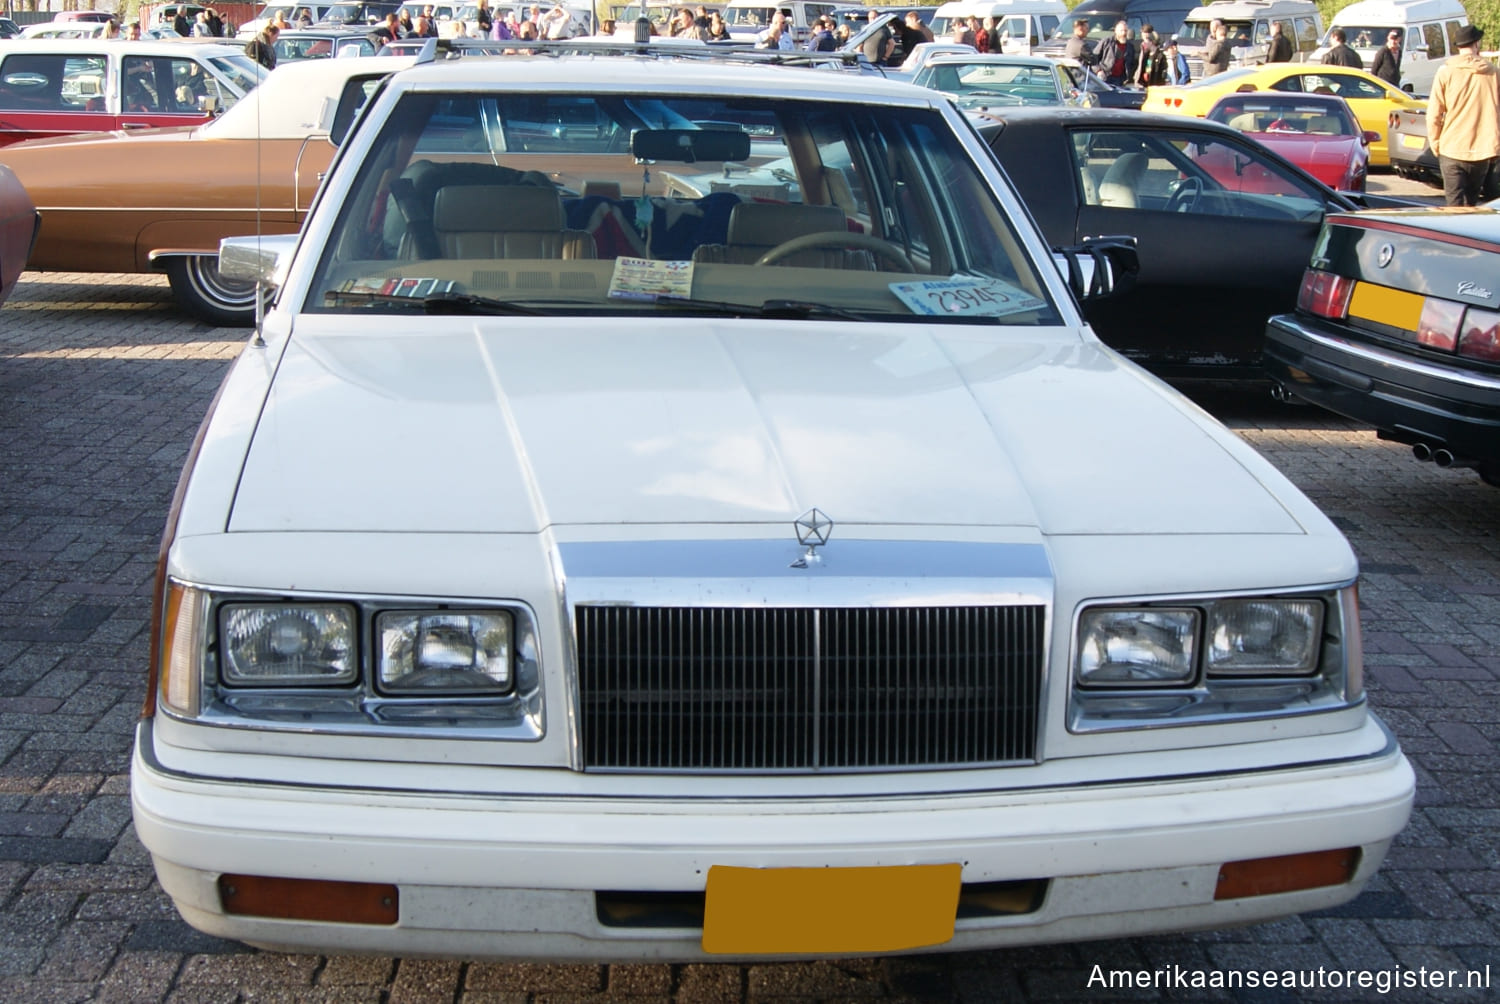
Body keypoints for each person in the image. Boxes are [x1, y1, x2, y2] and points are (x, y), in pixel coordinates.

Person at [1427, 24, 1499, 206]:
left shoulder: (1445, 72)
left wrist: (1436, 144)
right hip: (1482, 149)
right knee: (1471, 204)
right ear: (1477, 44)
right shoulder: (1493, 73)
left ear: (1458, 47)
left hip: (1452, 147)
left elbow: (1434, 113)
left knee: (1453, 206)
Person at [1093, 20, 1136, 86]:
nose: (1123, 33)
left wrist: (1129, 78)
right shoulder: (1107, 42)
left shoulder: (1130, 47)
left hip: (1120, 80)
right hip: (1105, 77)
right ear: (1115, 31)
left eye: (1125, 31)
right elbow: (1093, 58)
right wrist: (1098, 71)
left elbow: (1132, 64)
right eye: (1121, 31)